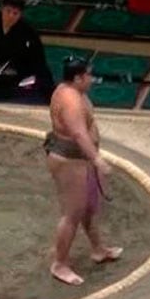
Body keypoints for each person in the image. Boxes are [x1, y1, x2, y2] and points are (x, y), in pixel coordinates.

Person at [43, 57, 122, 286]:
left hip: (79, 158)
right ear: (78, 78)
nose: (92, 79)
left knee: (87, 207)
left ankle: (98, 249)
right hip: (69, 159)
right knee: (72, 214)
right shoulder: (70, 100)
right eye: (88, 75)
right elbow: (78, 134)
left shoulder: (76, 92)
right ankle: (59, 264)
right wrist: (97, 160)